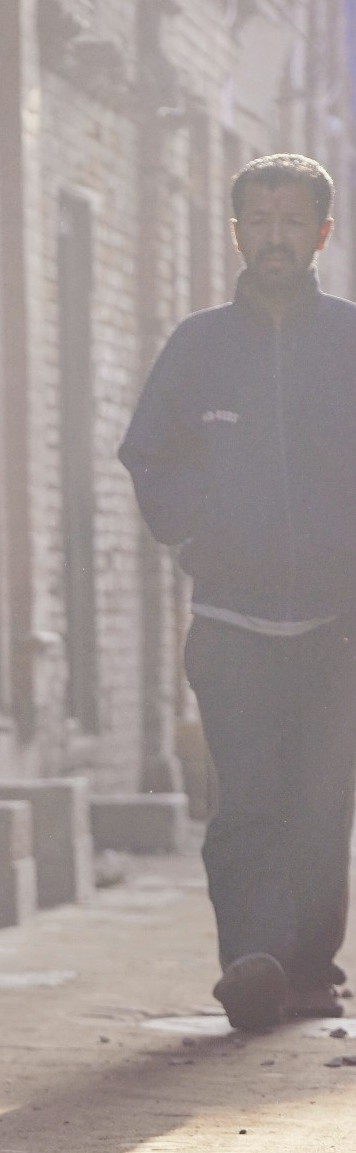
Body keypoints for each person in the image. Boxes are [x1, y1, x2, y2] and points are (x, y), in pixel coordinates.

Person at [120, 153, 356, 1032]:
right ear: (235, 233)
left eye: (292, 222)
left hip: (337, 623)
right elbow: (148, 453)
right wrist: (195, 534)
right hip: (229, 621)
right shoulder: (198, 346)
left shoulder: (349, 340)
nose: (275, 238)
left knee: (320, 800)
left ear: (322, 234)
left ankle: (309, 967)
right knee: (247, 797)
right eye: (259, 221)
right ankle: (251, 961)